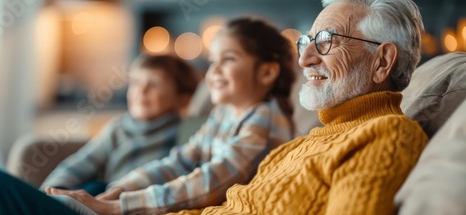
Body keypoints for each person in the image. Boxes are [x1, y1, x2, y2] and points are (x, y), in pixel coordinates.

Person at [0, 16, 296, 215]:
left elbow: (211, 180)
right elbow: (179, 161)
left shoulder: (265, 119)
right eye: (212, 61)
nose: (214, 71)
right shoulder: (224, 113)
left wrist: (117, 206)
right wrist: (118, 190)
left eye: (229, 59)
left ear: (267, 72)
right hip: (127, 203)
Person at [171, 0, 429, 214]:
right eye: (307, 42)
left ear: (382, 62)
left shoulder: (387, 134)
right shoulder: (299, 145)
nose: (304, 60)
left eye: (327, 40)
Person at [40, 54, 200, 196]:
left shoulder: (185, 132)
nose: (141, 90)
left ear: (182, 99)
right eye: (136, 82)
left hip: (134, 202)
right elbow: (83, 162)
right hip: (100, 195)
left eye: (154, 84)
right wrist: (53, 190)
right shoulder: (118, 127)